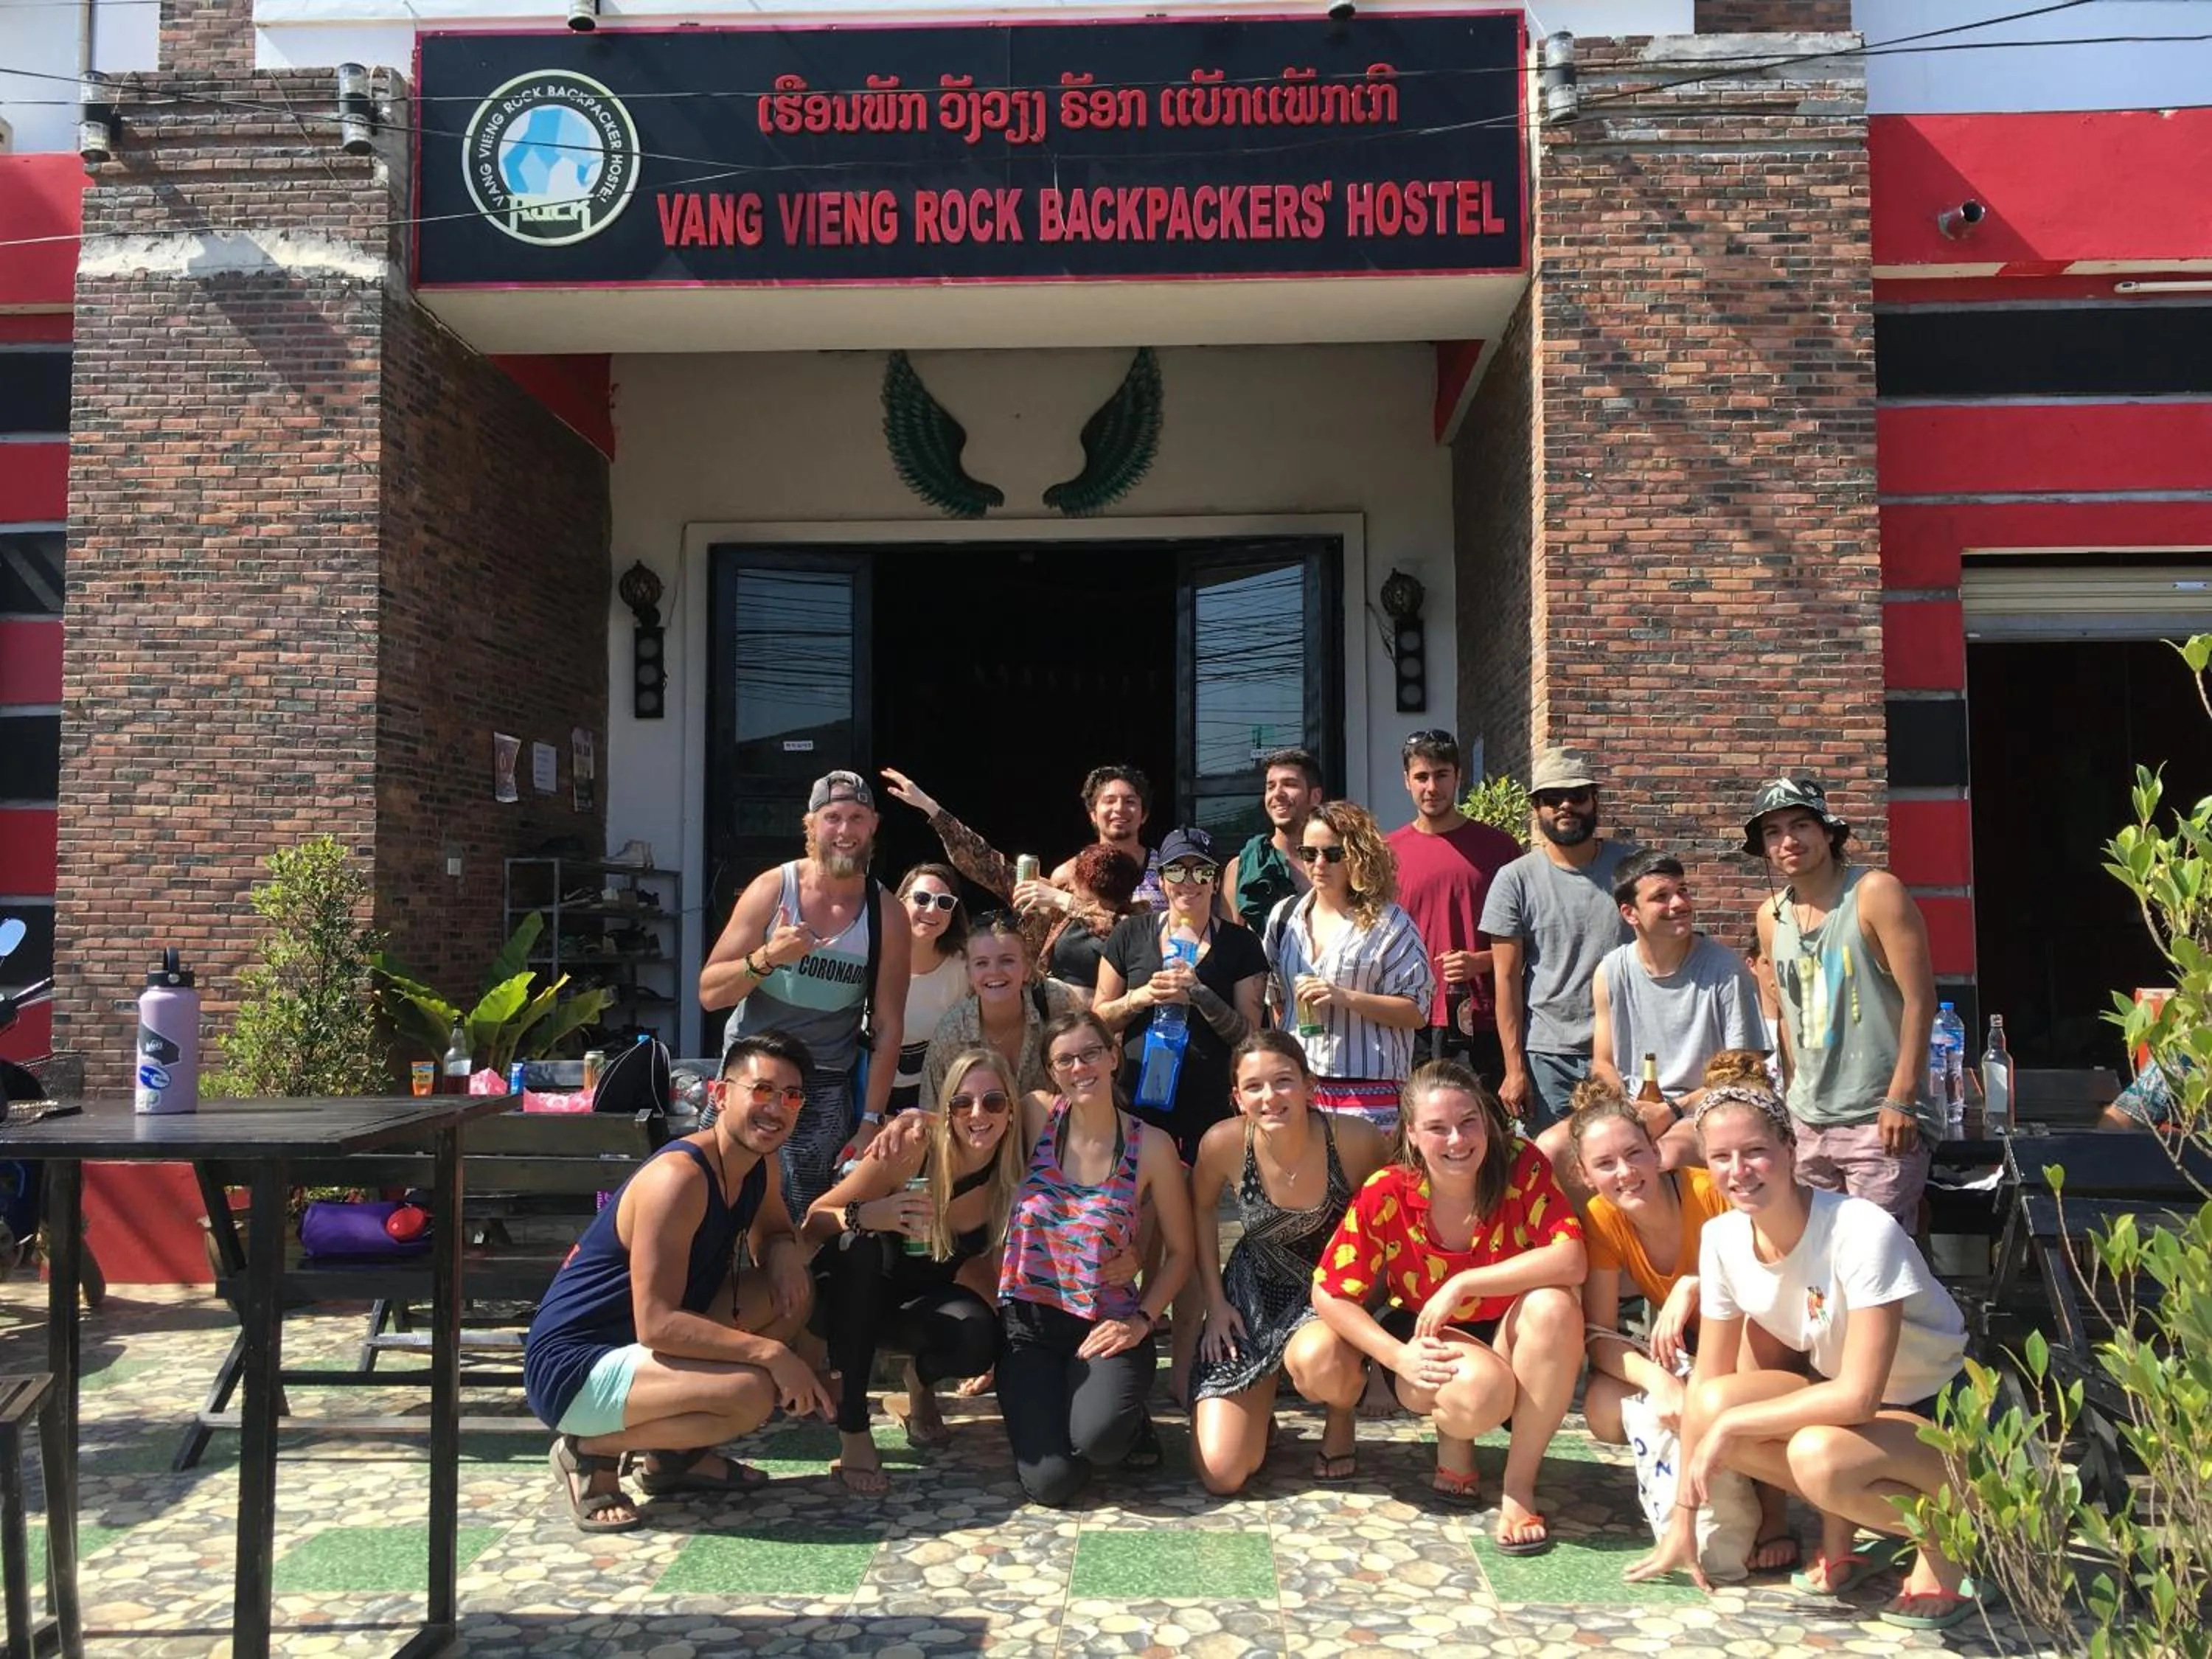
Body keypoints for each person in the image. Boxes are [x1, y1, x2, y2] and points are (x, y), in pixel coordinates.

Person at [1627, 1079, 1977, 1631]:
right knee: (1714, 1404)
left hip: (1941, 1412)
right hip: (1855, 1410)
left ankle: (1951, 1534)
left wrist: (1731, 1424)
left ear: (1791, 1151)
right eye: (1721, 1157)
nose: (1739, 1170)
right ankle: (1848, 1537)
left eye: (1755, 1152)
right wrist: (1682, 1526)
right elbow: (1709, 1388)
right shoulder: (1721, 1239)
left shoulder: (1860, 1229)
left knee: (1817, 1454)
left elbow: (1860, 1396)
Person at [524, 1032, 833, 1533]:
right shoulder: (680, 1178)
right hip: (576, 1365)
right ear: (720, 1094)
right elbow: (657, 1324)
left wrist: (781, 1254)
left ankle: (675, 1460)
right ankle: (588, 1452)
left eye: (791, 1096)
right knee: (751, 1393)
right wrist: (772, 1355)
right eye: (761, 1091)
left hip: (641, 1352)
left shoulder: (759, 1162)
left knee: (790, 1296)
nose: (776, 1108)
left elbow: (775, 1230)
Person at [1306, 1060, 1586, 1554]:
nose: (1457, 1140)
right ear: (1411, 1134)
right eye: (1437, 1128)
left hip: (1506, 1325)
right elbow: (1329, 1290)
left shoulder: (1522, 1162)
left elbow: (1570, 1257)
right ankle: (1455, 1437)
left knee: (1555, 1307)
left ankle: (1518, 1487)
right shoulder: (1387, 1190)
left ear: (1487, 1119)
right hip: (1427, 1334)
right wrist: (1396, 1357)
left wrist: (1463, 1283)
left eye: (1469, 1121)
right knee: (1479, 1393)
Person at [1566, 1073, 1798, 1576]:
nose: (1625, 1173)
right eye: (1605, 1165)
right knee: (1605, 1407)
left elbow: (1771, 1272)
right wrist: (1660, 1380)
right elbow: (1600, 1336)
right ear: (1585, 1176)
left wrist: (1693, 1282)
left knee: (1744, 1360)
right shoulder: (1602, 1218)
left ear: (1656, 1151)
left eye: (1634, 1154)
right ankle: (1708, 1484)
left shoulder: (1707, 1192)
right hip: (1693, 1351)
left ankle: (1774, 1514)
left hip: (1761, 1335)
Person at [1000, 1011, 1197, 1506]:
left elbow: (1181, 1253)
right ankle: (1060, 1410)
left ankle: (1125, 1422)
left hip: (1107, 1323)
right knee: (1052, 1484)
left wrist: (1144, 1320)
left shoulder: (1150, 1146)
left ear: (1113, 1057)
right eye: (1064, 1059)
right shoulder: (1035, 1115)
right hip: (1030, 1326)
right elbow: (967, 1132)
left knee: (1101, 1442)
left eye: (1091, 1053)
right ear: (1051, 1071)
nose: (1079, 1067)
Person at [802, 1045, 1020, 1492]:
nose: (978, 1114)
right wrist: (871, 1215)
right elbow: (814, 1221)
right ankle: (854, 1430)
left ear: (1012, 1112)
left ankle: (917, 1384)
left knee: (980, 1336)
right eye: (962, 1103)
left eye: (993, 1102)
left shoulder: (1007, 1176)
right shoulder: (913, 1149)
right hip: (843, 1301)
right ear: (949, 1110)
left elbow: (988, 1267)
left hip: (909, 1307)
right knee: (856, 1249)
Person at [700, 770, 910, 1214]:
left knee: (803, 1220)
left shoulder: (887, 914)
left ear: (873, 826)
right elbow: (710, 992)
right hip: (751, 1074)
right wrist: (768, 958)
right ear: (810, 826)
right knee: (716, 1202)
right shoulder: (773, 890)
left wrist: (870, 1122)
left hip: (823, 1084)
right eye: (832, 817)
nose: (845, 831)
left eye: (857, 818)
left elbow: (890, 1025)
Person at [1189, 1032, 1389, 1494]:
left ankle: (1340, 1420)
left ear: (1309, 1085)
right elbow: (1199, 1208)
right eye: (1254, 1087)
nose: (1270, 1097)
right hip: (1251, 1298)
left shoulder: (1354, 1139)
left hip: (1329, 1298)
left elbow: (1389, 1223)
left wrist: (1375, 1334)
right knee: (1222, 1473)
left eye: (1283, 1081)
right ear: (1237, 1098)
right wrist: (1216, 1304)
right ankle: (1260, 1415)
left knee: (1320, 1359)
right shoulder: (1224, 1144)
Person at [1746, 776, 1938, 1230]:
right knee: (1816, 1259)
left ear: (1829, 832)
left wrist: (1902, 1099)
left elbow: (1921, 999)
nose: (1788, 841)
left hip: (1878, 1117)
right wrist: (1788, 1109)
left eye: (1800, 826)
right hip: (1807, 1121)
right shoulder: (1770, 916)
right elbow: (1788, 1019)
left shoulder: (1874, 892)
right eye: (1773, 833)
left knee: (1877, 1259)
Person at [1538, 850, 1762, 1188]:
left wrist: (1671, 1110)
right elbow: (1604, 1063)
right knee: (1550, 1150)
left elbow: (1746, 1072)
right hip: (1633, 1107)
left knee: (1661, 1156)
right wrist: (1625, 1113)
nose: (1679, 904)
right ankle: (1593, 1239)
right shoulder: (1611, 971)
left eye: (1683, 891)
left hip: (1703, 1108)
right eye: (1661, 896)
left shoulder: (1725, 970)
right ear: (1630, 913)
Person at [1481, 747, 1638, 1132]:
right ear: (1537, 808)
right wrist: (1514, 1068)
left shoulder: (1633, 869)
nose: (1566, 806)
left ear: (1594, 801)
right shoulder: (1515, 880)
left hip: (1627, 1048)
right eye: (1553, 799)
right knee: (1552, 1171)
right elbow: (1505, 980)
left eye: (1577, 796)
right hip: (1549, 1057)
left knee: (1627, 1160)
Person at [1094, 827, 1268, 1163]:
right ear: (1161, 881)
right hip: (1138, 1104)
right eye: (1176, 870)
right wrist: (1140, 997)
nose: (1188, 881)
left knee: (1204, 1210)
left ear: (1215, 882)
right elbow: (1097, 1019)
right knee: (1142, 1208)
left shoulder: (1241, 945)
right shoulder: (1130, 933)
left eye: (1201, 871)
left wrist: (1201, 995)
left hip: (1210, 1108)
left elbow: (1251, 1037)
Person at [1262, 800, 1436, 1135]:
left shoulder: (1390, 923)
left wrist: (1343, 997)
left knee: (1371, 1187)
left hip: (1371, 1089)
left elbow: (1417, 1011)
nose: (1319, 864)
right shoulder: (1284, 917)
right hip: (1303, 1087)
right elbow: (1277, 1001)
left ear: (1357, 855)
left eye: (1333, 853)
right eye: (1309, 853)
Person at [1387, 729, 1522, 1081]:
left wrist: (1481, 962)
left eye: (1442, 775)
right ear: (1407, 781)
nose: (1432, 787)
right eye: (1421, 777)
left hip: (1483, 1019)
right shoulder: (1386, 854)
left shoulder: (1500, 849)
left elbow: (1531, 941)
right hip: (1411, 1019)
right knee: (1415, 1129)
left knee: (1485, 1127)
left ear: (1458, 776)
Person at [879, 762, 1166, 919]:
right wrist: (932, 809)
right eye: (1109, 801)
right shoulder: (1068, 875)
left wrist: (1063, 900)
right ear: (1093, 814)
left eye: (1130, 802)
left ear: (1144, 814)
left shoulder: (1168, 871)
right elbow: (991, 867)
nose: (1119, 810)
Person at [922, 912, 1084, 1108]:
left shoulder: (1056, 1001)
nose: (994, 971)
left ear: (1026, 968)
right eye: (982, 963)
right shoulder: (951, 1034)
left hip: (1053, 1131)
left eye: (1007, 960)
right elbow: (933, 1112)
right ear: (969, 975)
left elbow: (1090, 1064)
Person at [888, 863, 969, 1116]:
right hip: (863, 1090)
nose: (933, 909)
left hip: (932, 1094)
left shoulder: (963, 967)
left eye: (944, 902)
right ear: (901, 902)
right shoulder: (871, 954)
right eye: (922, 899)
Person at [1222, 748, 1325, 929]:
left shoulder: (1336, 863)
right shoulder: (1243, 867)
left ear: (1315, 796)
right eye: (1271, 786)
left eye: (1289, 784)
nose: (1277, 794)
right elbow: (1230, 945)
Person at [1040, 844, 1145, 1005]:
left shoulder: (1133, 924)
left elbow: (1119, 932)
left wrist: (1065, 901)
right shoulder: (1065, 911)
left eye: (1076, 881)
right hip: (1052, 1012)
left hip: (1095, 1022)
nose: (1070, 887)